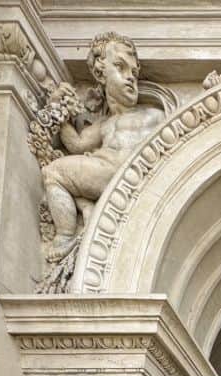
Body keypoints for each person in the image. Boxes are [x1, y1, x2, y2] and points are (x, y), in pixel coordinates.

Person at [42, 32, 162, 258]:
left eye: (134, 73)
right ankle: (68, 234)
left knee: (55, 171)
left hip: (126, 175)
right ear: (100, 73)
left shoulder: (153, 115)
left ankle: (71, 228)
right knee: (53, 172)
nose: (130, 78)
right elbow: (76, 145)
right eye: (121, 67)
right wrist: (58, 108)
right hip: (102, 173)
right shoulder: (102, 126)